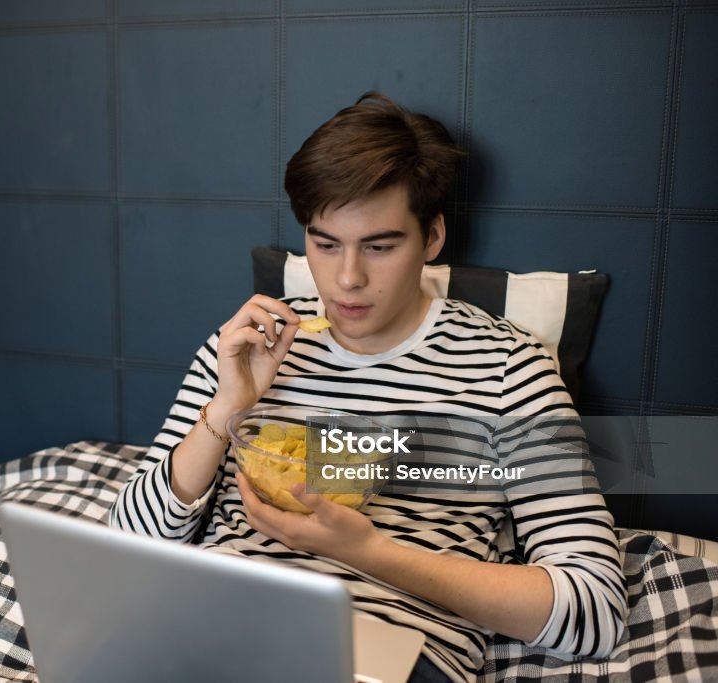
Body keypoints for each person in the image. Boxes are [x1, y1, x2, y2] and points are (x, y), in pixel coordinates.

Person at [108, 92, 626, 683]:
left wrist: (365, 551)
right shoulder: (248, 346)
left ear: (431, 238)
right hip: (204, 626)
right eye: (325, 244)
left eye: (379, 247)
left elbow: (595, 609)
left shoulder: (511, 370)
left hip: (382, 651)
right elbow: (129, 545)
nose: (347, 279)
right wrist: (227, 408)